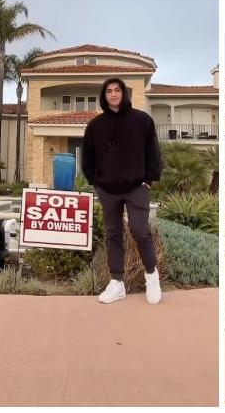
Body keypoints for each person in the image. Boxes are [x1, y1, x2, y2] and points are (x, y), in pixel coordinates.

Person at [81, 78, 162, 305]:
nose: (114, 94)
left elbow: (153, 152)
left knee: (139, 229)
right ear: (104, 95)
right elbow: (88, 157)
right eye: (109, 91)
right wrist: (95, 182)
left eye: (118, 90)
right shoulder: (96, 125)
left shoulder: (142, 120)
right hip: (108, 189)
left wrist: (149, 180)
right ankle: (117, 283)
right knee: (112, 234)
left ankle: (151, 275)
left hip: (137, 187)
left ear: (124, 93)